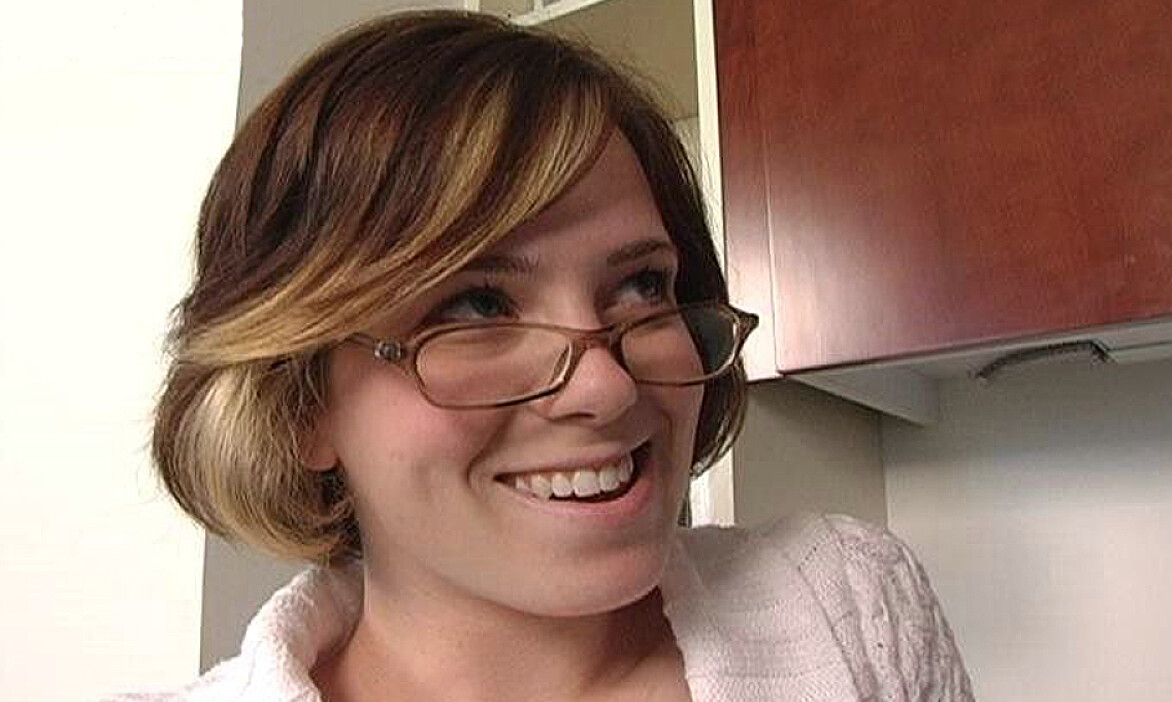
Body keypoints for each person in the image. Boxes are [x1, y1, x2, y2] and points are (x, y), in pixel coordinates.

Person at [109, 10, 973, 702]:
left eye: (642, 285)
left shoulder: (851, 610)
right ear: (300, 405)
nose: (606, 384)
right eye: (478, 305)